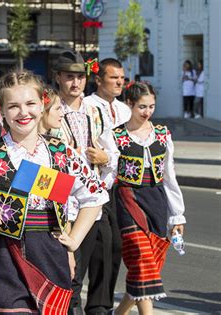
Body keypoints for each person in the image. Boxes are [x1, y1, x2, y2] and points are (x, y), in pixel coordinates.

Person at [0, 70, 109, 314]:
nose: (23, 112)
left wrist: (74, 240)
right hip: (2, 257)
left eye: (30, 103)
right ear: (1, 112)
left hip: (50, 254)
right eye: (13, 106)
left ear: (42, 105)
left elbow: (95, 195)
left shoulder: (60, 152)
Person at [50, 51, 120, 315]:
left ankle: (98, 309)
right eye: (70, 77)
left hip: (91, 197)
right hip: (63, 199)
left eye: (80, 77)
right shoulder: (52, 108)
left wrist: (105, 158)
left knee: (102, 258)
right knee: (70, 270)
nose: (76, 83)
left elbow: (110, 150)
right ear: (58, 78)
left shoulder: (95, 111)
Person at [113, 81, 186, 315]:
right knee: (143, 260)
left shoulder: (163, 135)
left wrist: (177, 216)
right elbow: (108, 175)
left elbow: (169, 175)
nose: (147, 112)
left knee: (148, 268)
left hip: (156, 201)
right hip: (128, 201)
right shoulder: (116, 136)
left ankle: (117, 313)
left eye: (151, 106)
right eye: (142, 107)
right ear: (129, 105)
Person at [84, 57, 129, 314]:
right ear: (99, 79)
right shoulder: (88, 106)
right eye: (113, 78)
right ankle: (95, 305)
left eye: (122, 78)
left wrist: (111, 158)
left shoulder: (124, 110)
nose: (119, 82)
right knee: (99, 244)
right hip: (94, 186)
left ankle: (103, 303)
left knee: (116, 246)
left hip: (118, 186)